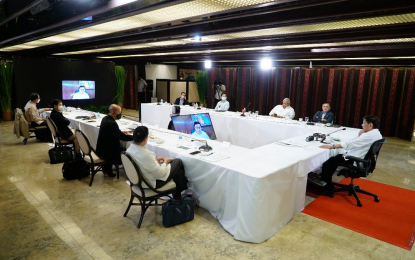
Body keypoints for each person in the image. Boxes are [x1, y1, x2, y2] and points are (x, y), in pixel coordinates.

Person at [310, 115, 382, 194]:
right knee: (334, 159)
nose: (362, 125)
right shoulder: (377, 134)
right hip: (365, 160)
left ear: (370, 125)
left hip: (355, 159)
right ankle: (326, 181)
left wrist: (332, 146)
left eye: (363, 123)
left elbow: (351, 144)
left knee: (329, 163)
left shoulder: (369, 135)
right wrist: (360, 136)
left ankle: (326, 188)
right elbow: (358, 142)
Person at [126, 126, 188, 199]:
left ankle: (178, 195)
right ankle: (178, 194)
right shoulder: (145, 154)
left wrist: (154, 161)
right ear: (145, 140)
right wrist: (165, 162)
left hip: (137, 181)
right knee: (178, 162)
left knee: (178, 172)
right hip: (149, 184)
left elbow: (140, 164)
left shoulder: (129, 149)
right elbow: (160, 174)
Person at [96, 104, 133, 177]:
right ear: (113, 114)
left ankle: (106, 168)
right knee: (126, 149)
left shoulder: (105, 118)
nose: (120, 114)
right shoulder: (111, 123)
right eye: (119, 113)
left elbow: (112, 132)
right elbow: (122, 137)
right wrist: (134, 137)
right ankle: (115, 168)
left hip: (101, 147)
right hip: (107, 151)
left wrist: (120, 132)